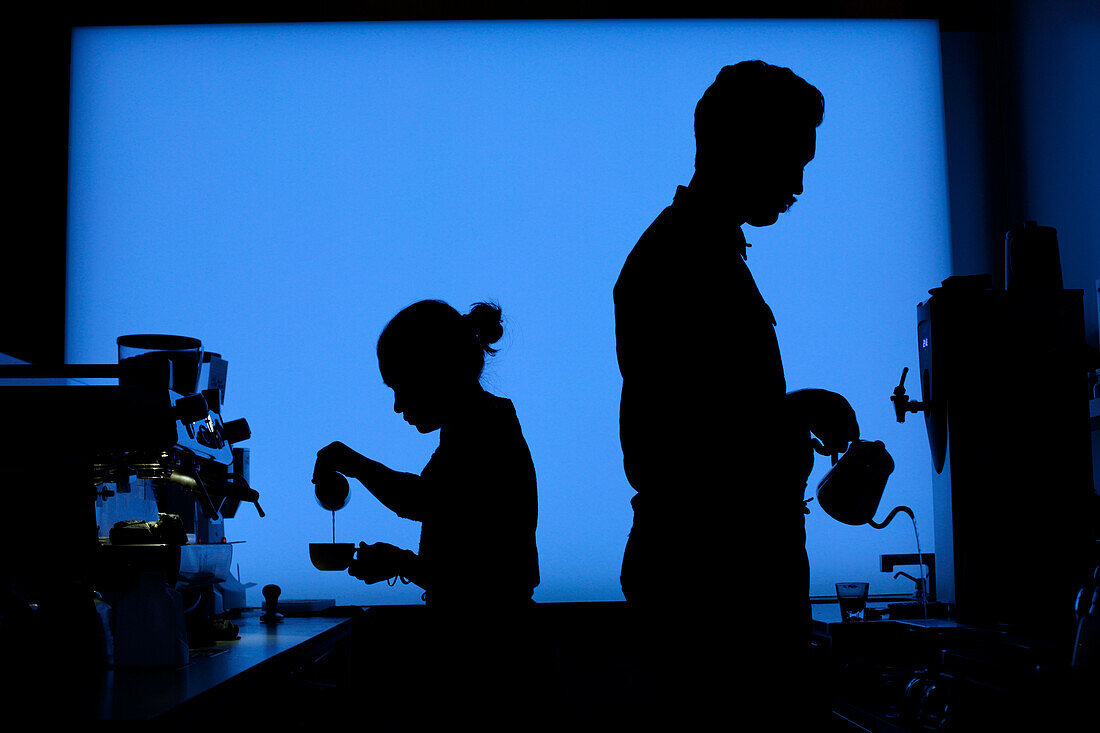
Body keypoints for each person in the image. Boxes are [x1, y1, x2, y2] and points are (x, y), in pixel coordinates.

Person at [614, 61, 860, 728]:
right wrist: (794, 415)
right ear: (739, 148)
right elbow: (680, 452)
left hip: (712, 582)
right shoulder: (683, 262)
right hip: (716, 590)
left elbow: (702, 422)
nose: (800, 184)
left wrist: (790, 413)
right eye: (790, 160)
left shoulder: (697, 254)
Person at [313, 299, 541, 728]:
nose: (398, 405)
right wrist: (403, 563)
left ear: (434, 370)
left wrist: (357, 464)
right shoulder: (485, 422)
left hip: (493, 653)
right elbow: (476, 557)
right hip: (498, 641)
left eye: (400, 385)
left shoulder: (483, 428)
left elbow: (426, 502)